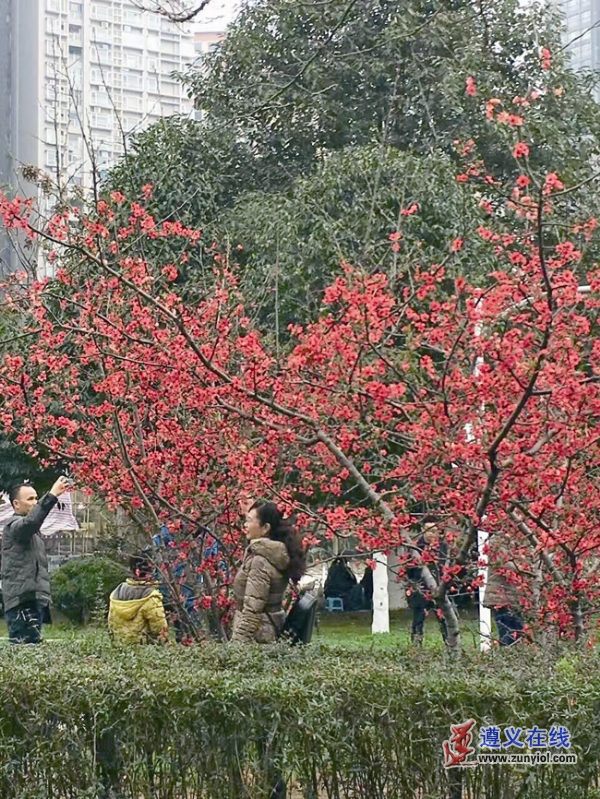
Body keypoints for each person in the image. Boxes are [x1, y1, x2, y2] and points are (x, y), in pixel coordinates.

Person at [231, 500, 306, 799]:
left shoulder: (261, 560)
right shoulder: (268, 555)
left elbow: (251, 608)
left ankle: (273, 788)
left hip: (257, 641)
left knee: (259, 722)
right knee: (263, 722)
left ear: (265, 528)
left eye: (250, 520)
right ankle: (272, 785)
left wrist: (234, 650)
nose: (245, 525)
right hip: (266, 636)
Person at [1, 476, 70, 644]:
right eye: (30, 499)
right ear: (16, 504)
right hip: (22, 602)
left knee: (32, 652)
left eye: (36, 498)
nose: (34, 502)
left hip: (32, 600)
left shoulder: (32, 536)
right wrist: (52, 495)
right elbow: (31, 522)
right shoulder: (14, 527)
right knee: (25, 651)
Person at [406, 520, 449, 645]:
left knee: (444, 620)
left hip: (439, 587)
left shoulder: (443, 547)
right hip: (421, 588)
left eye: (434, 531)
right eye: (428, 531)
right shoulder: (415, 547)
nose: (431, 534)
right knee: (418, 620)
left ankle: (450, 645)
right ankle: (416, 646)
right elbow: (409, 569)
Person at [108, 554, 168, 644]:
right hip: (143, 650)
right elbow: (159, 630)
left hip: (120, 647)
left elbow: (111, 624)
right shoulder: (151, 597)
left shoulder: (117, 592)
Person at [483, 539, 526, 646]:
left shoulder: (519, 539)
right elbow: (503, 564)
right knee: (507, 635)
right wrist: (524, 567)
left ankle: (515, 659)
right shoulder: (497, 542)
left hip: (514, 598)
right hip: (501, 598)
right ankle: (506, 658)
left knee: (518, 634)